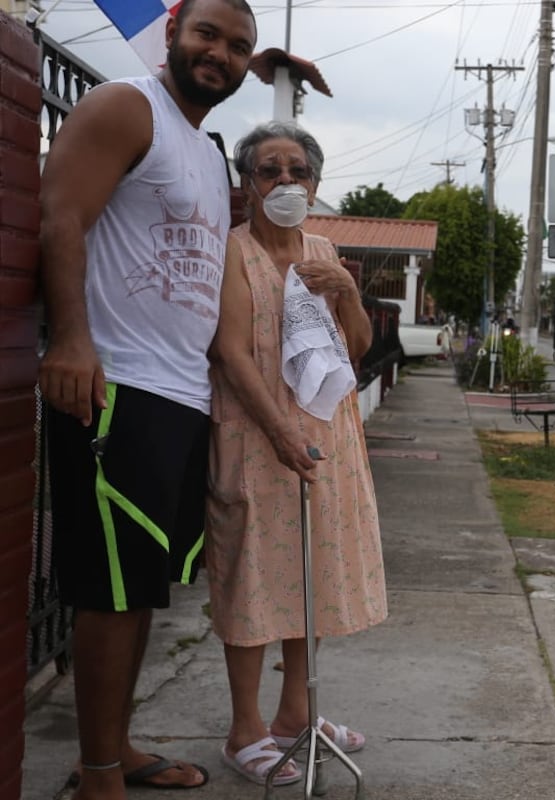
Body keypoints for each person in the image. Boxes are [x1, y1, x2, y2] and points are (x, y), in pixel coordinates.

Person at [37, 1, 256, 796]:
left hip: (180, 394)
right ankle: (99, 773)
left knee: (140, 590)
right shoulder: (126, 108)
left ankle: (117, 746)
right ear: (172, 33)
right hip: (116, 382)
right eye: (207, 34)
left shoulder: (207, 153)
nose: (220, 54)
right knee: (109, 591)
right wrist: (72, 339)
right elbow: (60, 215)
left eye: (239, 47)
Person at [205, 121, 388, 785]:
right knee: (252, 575)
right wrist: (280, 432)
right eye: (269, 170)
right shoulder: (233, 250)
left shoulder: (323, 248)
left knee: (310, 575)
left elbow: (357, 345)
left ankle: (295, 717)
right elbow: (229, 352)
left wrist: (346, 290)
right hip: (255, 435)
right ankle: (244, 730)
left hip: (326, 435)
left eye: (298, 171)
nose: (285, 181)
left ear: (314, 183)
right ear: (248, 184)